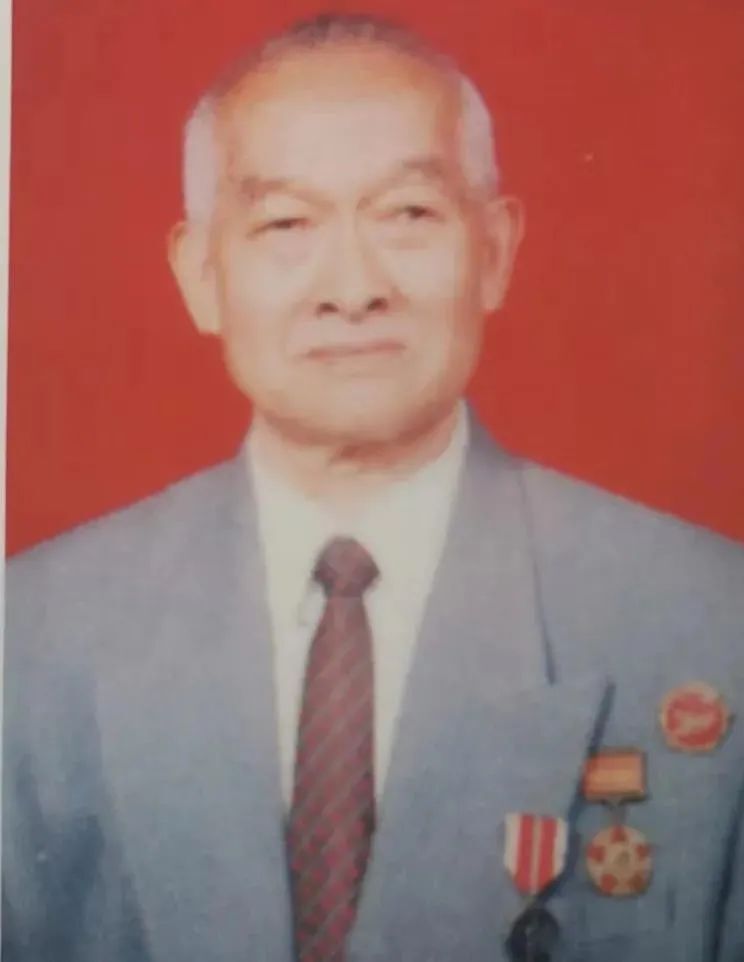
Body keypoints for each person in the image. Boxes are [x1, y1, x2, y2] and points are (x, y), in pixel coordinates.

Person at [3, 13, 744, 962]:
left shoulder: (708, 620)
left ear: (495, 250)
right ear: (200, 274)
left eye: (409, 215)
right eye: (286, 224)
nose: (352, 289)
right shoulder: (29, 636)